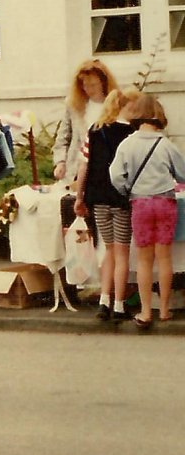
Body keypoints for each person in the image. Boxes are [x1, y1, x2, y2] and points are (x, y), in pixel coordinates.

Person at [109, 94, 185, 332]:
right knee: (164, 258)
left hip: (140, 204)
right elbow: (183, 173)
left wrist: (127, 189)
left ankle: (145, 311)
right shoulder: (166, 144)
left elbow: (115, 175)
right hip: (165, 203)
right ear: (158, 116)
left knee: (144, 260)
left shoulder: (127, 144)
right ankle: (164, 309)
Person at [74, 87, 140, 321]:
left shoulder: (94, 130)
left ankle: (104, 301)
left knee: (108, 249)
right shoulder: (133, 133)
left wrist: (79, 196)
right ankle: (119, 305)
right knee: (122, 253)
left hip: (97, 197)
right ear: (127, 106)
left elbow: (83, 166)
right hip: (121, 199)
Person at [53, 58, 116, 182]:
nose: (89, 90)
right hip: (76, 169)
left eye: (93, 85)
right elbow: (63, 138)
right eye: (85, 85)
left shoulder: (115, 105)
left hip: (105, 170)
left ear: (103, 82)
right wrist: (60, 162)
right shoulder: (73, 105)